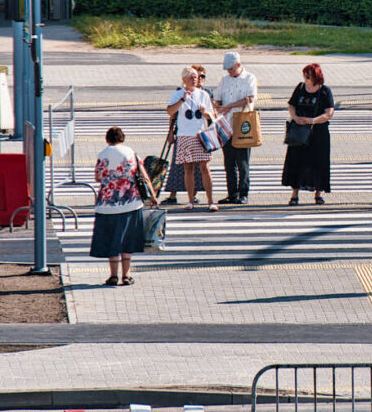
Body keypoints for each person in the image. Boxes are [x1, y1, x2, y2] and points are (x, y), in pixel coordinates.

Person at [90, 126, 156, 286]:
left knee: (111, 240)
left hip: (106, 205)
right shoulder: (131, 153)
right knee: (127, 241)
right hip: (131, 203)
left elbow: (98, 178)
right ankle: (126, 275)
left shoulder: (102, 155)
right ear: (122, 138)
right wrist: (153, 196)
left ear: (107, 139)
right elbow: (144, 177)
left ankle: (113, 276)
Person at [165, 66, 217, 211]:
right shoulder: (178, 94)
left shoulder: (204, 94)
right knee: (188, 169)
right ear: (184, 80)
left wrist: (205, 112)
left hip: (200, 134)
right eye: (191, 77)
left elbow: (212, 116)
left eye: (196, 77)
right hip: (184, 135)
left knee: (205, 168)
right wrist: (182, 100)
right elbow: (170, 111)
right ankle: (190, 200)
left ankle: (211, 201)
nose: (195, 79)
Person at [282, 63, 335, 205]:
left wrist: (312, 120)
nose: (305, 78)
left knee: (319, 162)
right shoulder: (300, 88)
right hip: (299, 132)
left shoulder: (325, 91)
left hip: (318, 133)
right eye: (305, 75)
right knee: (296, 162)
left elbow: (329, 113)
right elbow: (291, 105)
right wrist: (295, 118)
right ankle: (294, 194)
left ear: (316, 77)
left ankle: (318, 193)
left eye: (308, 76)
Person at [214, 51, 258, 204]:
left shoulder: (249, 78)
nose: (229, 71)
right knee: (229, 162)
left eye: (231, 68)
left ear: (238, 65)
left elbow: (249, 99)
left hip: (242, 124)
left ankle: (243, 193)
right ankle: (232, 193)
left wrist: (229, 106)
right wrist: (217, 107)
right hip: (226, 125)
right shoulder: (224, 80)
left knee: (243, 162)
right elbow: (217, 98)